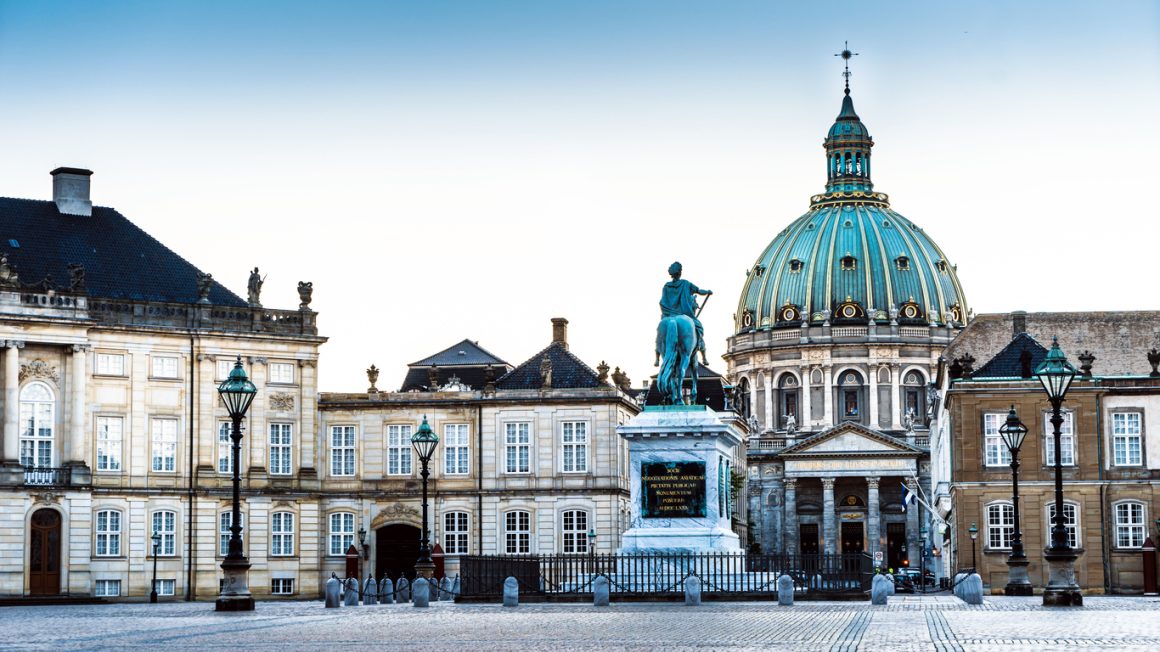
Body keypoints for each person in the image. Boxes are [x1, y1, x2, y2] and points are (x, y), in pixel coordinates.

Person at [657, 261, 711, 366]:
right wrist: (708, 292)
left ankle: (657, 354)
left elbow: (662, 302)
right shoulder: (686, 284)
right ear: (680, 273)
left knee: (661, 333)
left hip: (669, 315)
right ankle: (700, 347)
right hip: (685, 314)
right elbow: (699, 291)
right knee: (699, 328)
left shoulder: (666, 287)